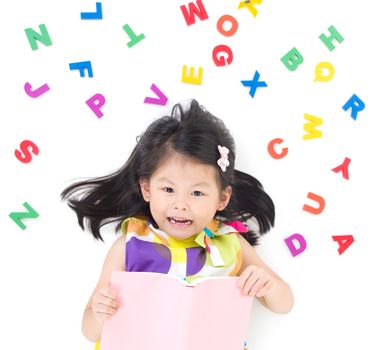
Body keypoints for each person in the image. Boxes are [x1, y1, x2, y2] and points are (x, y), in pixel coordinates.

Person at [61, 99, 294, 348]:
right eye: (168, 189)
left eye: (196, 193)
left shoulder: (230, 244)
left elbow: (284, 303)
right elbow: (90, 331)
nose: (180, 204)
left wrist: (266, 284)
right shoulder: (129, 246)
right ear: (147, 189)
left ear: (222, 198)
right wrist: (99, 311)